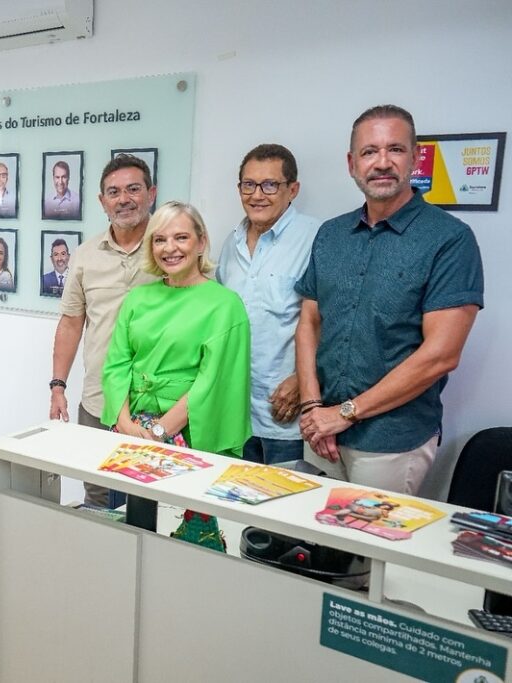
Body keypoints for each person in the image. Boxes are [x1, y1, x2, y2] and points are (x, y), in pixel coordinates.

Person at [296, 105, 484, 495]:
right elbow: (309, 323)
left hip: (391, 442)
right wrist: (313, 407)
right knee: (308, 534)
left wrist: (345, 413)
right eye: (369, 152)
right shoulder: (331, 235)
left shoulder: (449, 239)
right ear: (352, 163)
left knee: (372, 538)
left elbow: (441, 355)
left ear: (415, 157)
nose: (382, 162)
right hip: (322, 431)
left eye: (395, 149)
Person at [103, 201, 251, 540]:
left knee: (187, 538)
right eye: (160, 239)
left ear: (201, 242)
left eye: (181, 237)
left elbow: (212, 382)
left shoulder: (225, 305)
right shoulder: (137, 299)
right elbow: (117, 363)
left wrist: (159, 432)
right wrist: (125, 423)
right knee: (132, 528)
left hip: (189, 432)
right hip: (131, 429)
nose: (170, 248)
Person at [49, 154, 158, 508]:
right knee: (98, 497)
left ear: (151, 193)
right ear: (102, 201)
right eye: (114, 192)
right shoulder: (85, 254)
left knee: (151, 503)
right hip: (99, 400)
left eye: (133, 189)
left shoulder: (170, 249)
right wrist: (58, 386)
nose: (123, 199)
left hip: (157, 405)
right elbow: (71, 323)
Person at [216, 144, 320, 465]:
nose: (257, 195)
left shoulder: (317, 238)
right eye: (249, 185)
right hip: (234, 411)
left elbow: (334, 322)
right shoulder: (231, 243)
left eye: (270, 185)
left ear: (293, 190)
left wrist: (303, 380)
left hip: (285, 414)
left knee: (285, 494)